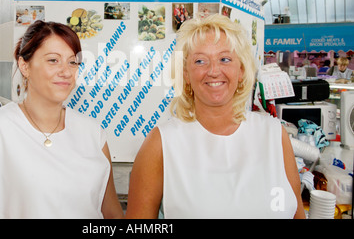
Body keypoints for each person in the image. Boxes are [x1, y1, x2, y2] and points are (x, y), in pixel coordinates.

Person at [126, 15, 305, 219]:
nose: (213, 71)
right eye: (200, 61)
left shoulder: (274, 134)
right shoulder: (161, 143)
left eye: (224, 59)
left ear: (241, 70)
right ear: (186, 74)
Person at [0, 21, 123, 219]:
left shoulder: (93, 133)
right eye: (53, 60)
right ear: (24, 65)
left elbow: (112, 213)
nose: (66, 71)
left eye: (72, 62)